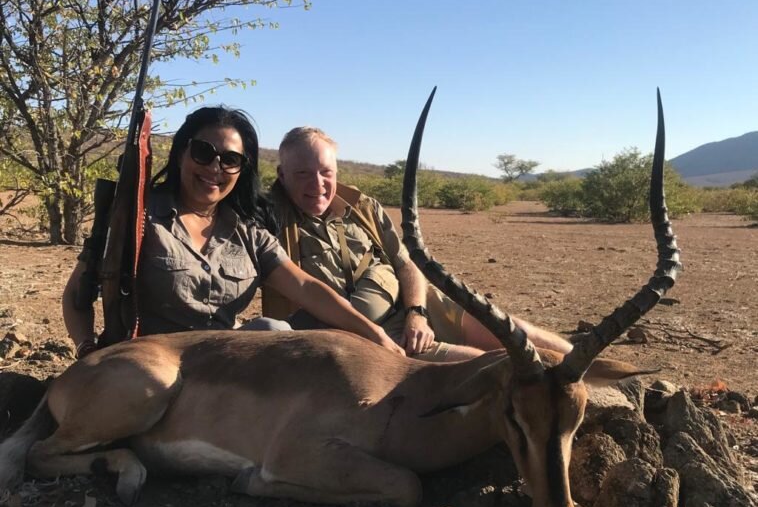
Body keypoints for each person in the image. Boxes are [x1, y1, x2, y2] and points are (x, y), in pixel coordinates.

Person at [62, 107, 405, 359]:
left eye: (230, 160)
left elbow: (304, 286)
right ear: (182, 153)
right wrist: (87, 350)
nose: (214, 168)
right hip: (149, 360)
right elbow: (79, 292)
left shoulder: (247, 229)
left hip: (219, 362)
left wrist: (374, 335)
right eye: (203, 153)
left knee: (276, 333)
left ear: (242, 169)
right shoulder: (138, 217)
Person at [262, 126, 572, 360]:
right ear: (281, 174)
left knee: (517, 335)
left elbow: (405, 263)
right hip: (365, 336)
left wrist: (417, 313)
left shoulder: (362, 206)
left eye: (325, 172)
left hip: (413, 304)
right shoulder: (264, 219)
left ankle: (599, 373)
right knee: (483, 365)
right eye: (302, 173)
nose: (317, 184)